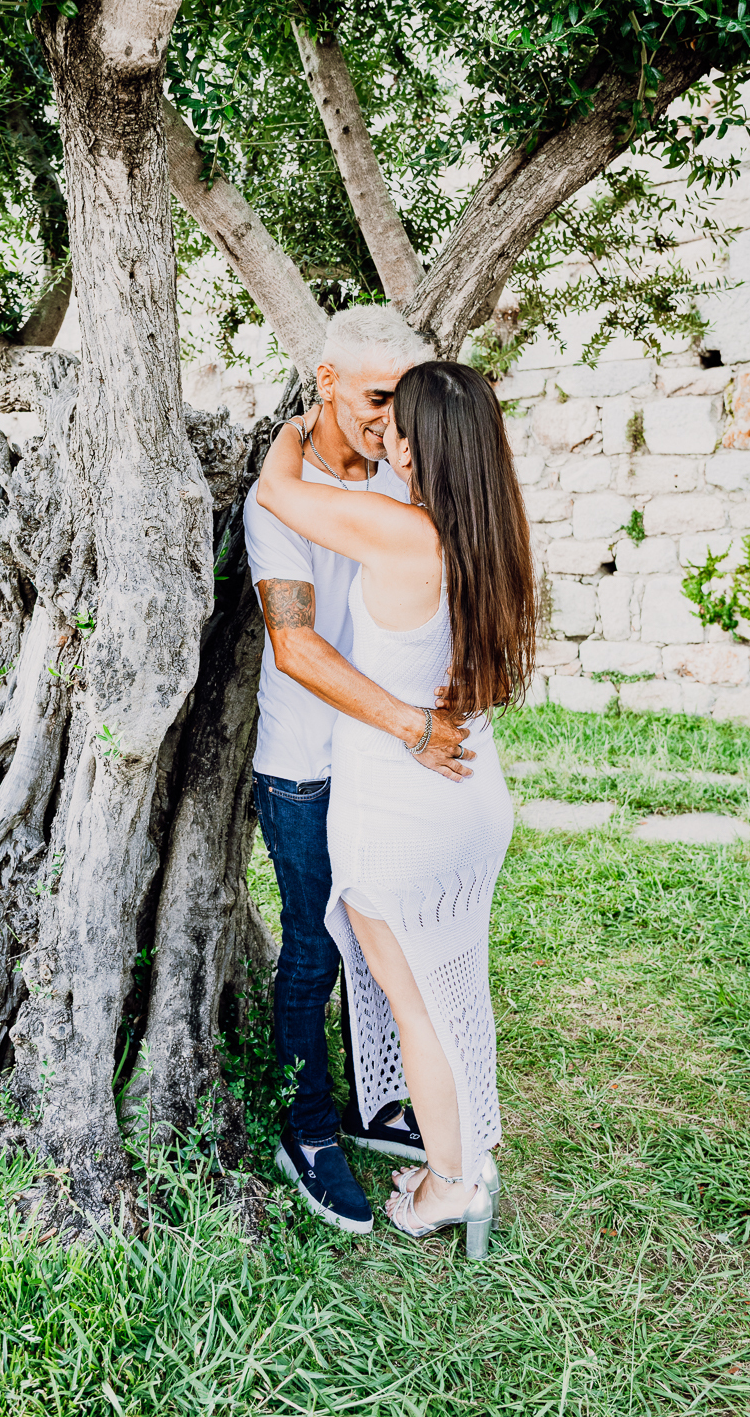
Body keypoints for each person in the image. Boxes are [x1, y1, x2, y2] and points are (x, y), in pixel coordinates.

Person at [257, 359, 535, 1255]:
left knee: (416, 1007)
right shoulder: (496, 535)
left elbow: (276, 489)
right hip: (470, 799)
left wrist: (305, 422)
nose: (382, 433)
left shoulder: (397, 530)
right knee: (452, 993)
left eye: (395, 421)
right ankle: (457, 1156)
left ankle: (450, 1186)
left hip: (400, 812)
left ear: (414, 447)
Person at [243, 308, 474, 1236]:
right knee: (314, 948)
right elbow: (295, 646)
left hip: (387, 765)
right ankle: (308, 1129)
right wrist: (413, 725)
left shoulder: (404, 469)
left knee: (389, 949)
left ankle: (378, 1103)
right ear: (328, 382)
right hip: (307, 765)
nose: (396, 416)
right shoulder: (284, 493)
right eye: (381, 396)